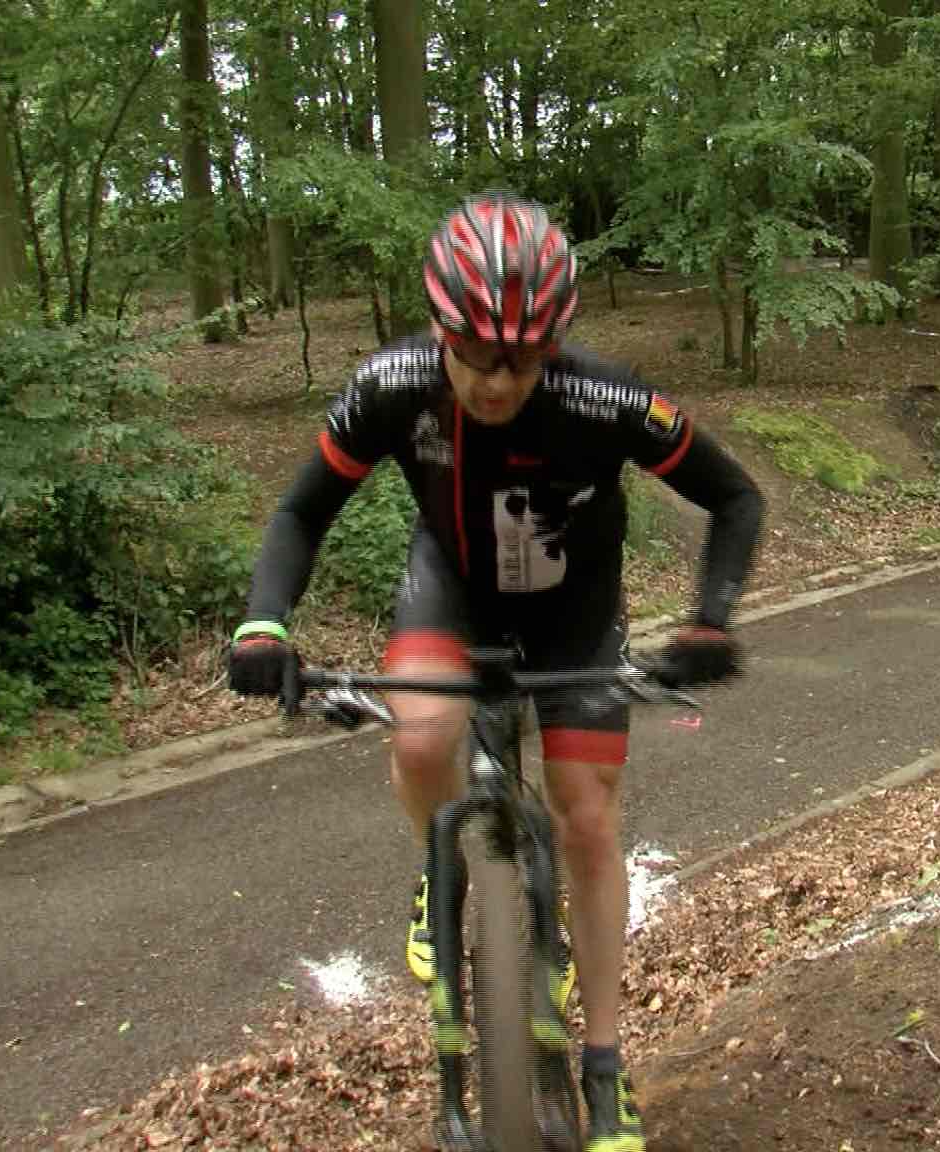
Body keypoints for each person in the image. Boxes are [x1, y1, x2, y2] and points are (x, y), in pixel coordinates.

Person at [226, 192, 764, 1152]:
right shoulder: (389, 386)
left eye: (521, 359)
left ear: (554, 344)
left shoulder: (606, 399)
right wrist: (265, 624)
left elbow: (732, 494)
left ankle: (604, 1069)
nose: (494, 380)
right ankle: (441, 871)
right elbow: (300, 511)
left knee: (587, 813)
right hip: (454, 589)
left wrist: (710, 620)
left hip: (574, 610)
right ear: (442, 331)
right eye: (474, 354)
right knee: (423, 733)